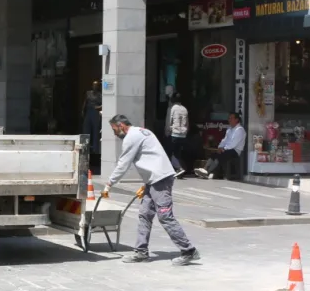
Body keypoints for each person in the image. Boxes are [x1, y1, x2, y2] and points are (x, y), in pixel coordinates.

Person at [104, 114, 200, 265]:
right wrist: (147, 182)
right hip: (154, 180)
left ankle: (189, 251)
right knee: (145, 214)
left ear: (121, 126)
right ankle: (141, 252)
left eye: (115, 129)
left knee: (165, 216)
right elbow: (151, 157)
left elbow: (123, 163)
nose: (115, 134)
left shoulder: (131, 137)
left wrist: (109, 183)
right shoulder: (143, 131)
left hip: (160, 180)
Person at [196, 112, 245, 180]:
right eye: (229, 118)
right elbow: (224, 140)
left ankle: (208, 172)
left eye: (231, 118)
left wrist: (224, 149)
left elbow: (233, 144)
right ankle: (205, 169)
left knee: (220, 155)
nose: (229, 120)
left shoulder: (240, 130)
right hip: (226, 149)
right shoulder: (229, 129)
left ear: (236, 120)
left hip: (235, 151)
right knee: (214, 154)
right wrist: (220, 147)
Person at [165, 93, 189, 172]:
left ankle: (178, 168)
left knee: (170, 153)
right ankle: (179, 169)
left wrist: (167, 133)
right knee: (178, 153)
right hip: (183, 135)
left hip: (174, 134)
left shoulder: (172, 108)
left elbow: (169, 122)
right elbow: (187, 124)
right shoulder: (185, 109)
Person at [82, 81, 102, 170]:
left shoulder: (100, 95)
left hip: (95, 112)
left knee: (95, 131)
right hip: (88, 111)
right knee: (86, 130)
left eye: (96, 85)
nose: (95, 87)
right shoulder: (88, 93)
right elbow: (85, 102)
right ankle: (85, 147)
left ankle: (95, 150)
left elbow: (104, 103)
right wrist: (83, 110)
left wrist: (98, 107)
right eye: (93, 85)